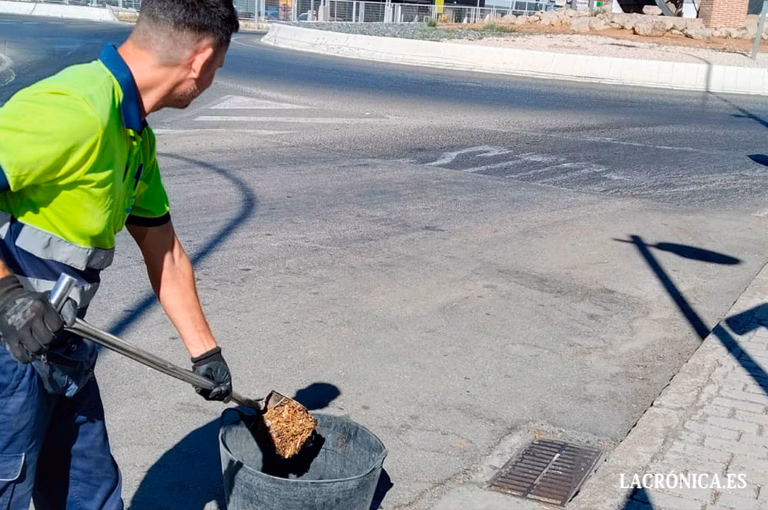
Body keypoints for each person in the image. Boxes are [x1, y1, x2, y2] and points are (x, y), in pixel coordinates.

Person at [0, 0, 240, 507]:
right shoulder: (74, 108)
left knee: (88, 488)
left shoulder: (133, 136)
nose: (214, 77)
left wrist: (206, 354)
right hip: (8, 347)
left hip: (57, 340)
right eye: (219, 65)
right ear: (201, 60)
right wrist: (6, 292)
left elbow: (166, 253)